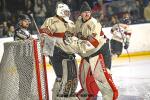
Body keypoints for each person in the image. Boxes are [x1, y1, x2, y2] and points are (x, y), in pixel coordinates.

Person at [72, 1, 118, 100]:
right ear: (81, 14)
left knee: (104, 76)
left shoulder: (94, 23)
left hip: (101, 51)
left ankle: (109, 96)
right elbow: (76, 35)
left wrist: (78, 48)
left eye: (89, 12)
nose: (87, 14)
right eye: (85, 12)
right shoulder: (79, 21)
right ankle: (89, 94)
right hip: (89, 54)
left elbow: (94, 43)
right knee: (85, 77)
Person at [39, 2, 78, 99]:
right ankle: (57, 97)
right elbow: (44, 35)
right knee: (61, 77)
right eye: (65, 12)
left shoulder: (71, 23)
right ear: (60, 11)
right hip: (58, 54)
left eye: (68, 12)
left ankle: (68, 96)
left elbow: (76, 37)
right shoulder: (51, 21)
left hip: (70, 53)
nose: (67, 14)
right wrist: (50, 54)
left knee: (71, 78)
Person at [13, 14, 34, 99]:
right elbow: (28, 38)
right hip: (20, 58)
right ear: (20, 22)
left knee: (29, 76)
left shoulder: (27, 31)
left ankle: (27, 94)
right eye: (25, 21)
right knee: (23, 77)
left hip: (28, 58)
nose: (28, 22)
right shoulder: (18, 31)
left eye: (28, 21)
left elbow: (30, 39)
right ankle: (23, 95)